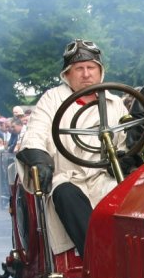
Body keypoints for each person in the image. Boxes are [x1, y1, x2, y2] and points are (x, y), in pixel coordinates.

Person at [16, 38, 129, 257]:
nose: (86, 74)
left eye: (91, 68)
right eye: (79, 69)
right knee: (65, 193)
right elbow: (36, 131)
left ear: (100, 72)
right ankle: (98, 259)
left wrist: (126, 158)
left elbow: (126, 139)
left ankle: (134, 255)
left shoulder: (115, 102)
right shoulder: (52, 99)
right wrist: (39, 157)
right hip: (67, 176)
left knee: (133, 197)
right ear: (67, 74)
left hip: (106, 177)